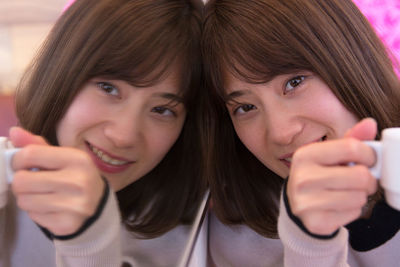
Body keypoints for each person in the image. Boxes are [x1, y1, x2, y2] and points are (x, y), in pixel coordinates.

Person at [1, 0, 206, 266]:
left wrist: (89, 243)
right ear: (62, 71)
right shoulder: (8, 200)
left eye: (162, 110)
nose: (124, 136)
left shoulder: (199, 235)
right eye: (108, 88)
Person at [202, 0, 400, 266]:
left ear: (348, 59)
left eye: (294, 82)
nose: (281, 133)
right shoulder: (236, 239)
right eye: (245, 107)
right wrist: (309, 242)